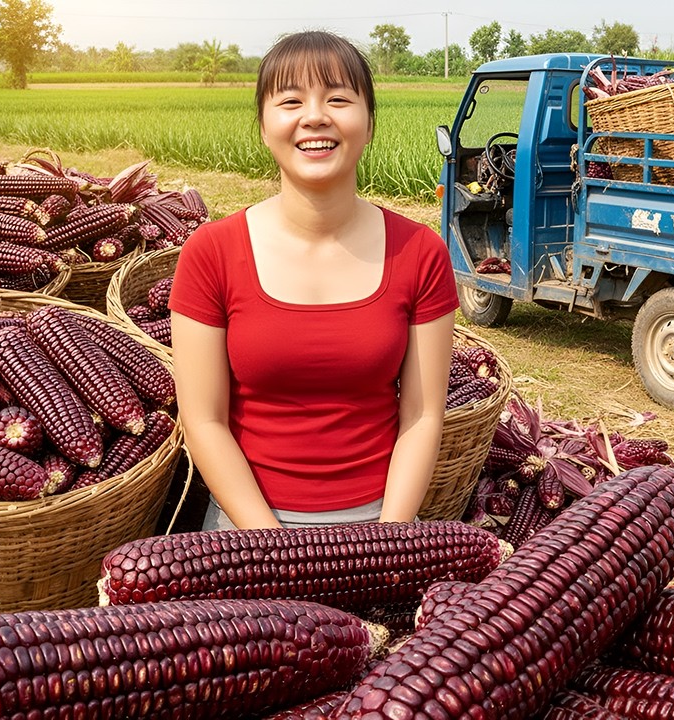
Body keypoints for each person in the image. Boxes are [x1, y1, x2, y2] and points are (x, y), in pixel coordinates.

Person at [168, 30, 458, 530]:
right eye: (291, 101)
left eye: (339, 99)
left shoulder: (420, 251)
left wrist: (388, 539)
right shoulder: (211, 252)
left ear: (369, 123)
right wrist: (271, 544)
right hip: (246, 529)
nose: (315, 116)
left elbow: (422, 414)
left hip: (383, 524)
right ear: (264, 126)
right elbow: (204, 420)